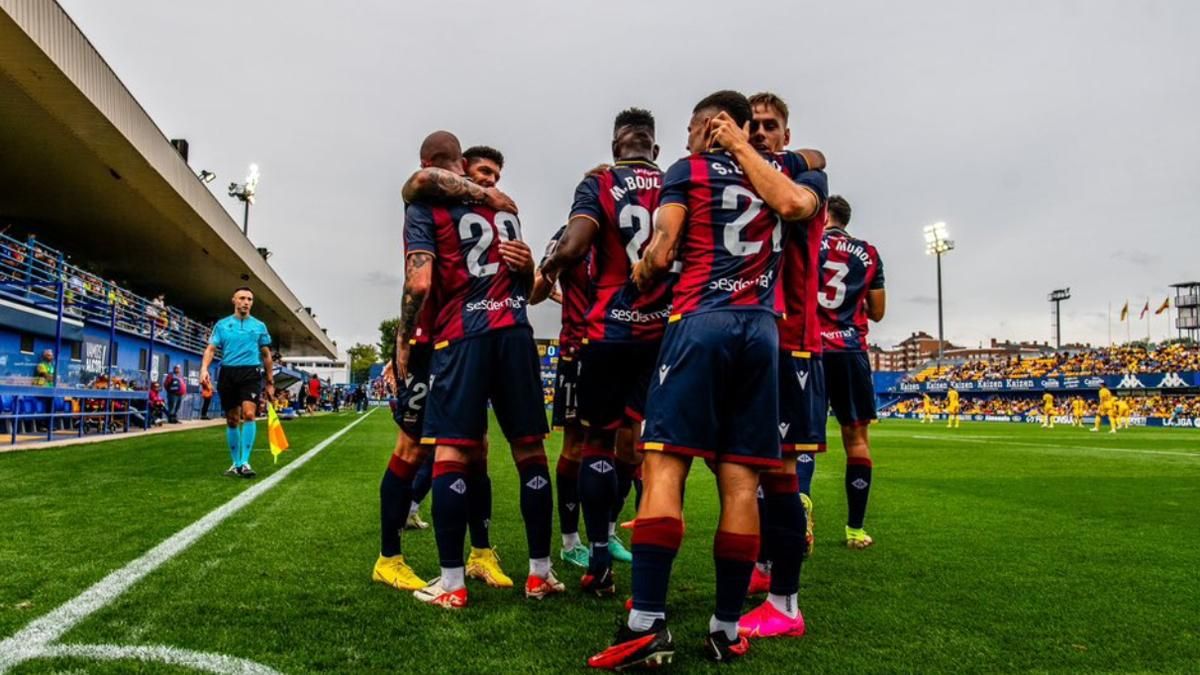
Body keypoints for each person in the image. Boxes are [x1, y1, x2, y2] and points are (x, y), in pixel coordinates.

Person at [588, 91, 826, 669]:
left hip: (698, 321)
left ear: (711, 126)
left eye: (695, 126)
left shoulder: (687, 168)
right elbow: (803, 179)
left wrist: (641, 275)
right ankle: (724, 627)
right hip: (764, 332)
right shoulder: (776, 169)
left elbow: (663, 249)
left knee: (664, 465)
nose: (692, 135)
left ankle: (647, 621)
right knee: (742, 482)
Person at [398, 130, 560, 608]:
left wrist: (404, 339)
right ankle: (540, 574)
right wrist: (529, 271)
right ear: (463, 166)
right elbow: (527, 288)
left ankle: (451, 583)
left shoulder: (427, 207)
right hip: (515, 332)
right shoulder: (504, 209)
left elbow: (421, 282)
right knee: (530, 451)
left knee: (451, 453)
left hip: (462, 335)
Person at [538, 107, 672, 592]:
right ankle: (649, 567)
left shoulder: (597, 184)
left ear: (616, 147)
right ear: (654, 149)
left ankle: (597, 559)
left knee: (595, 441)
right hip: (665, 334)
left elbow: (574, 247)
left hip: (607, 331)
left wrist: (550, 267)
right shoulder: (679, 181)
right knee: (645, 449)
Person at [737, 92, 828, 618]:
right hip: (745, 339)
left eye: (771, 126)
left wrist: (798, 160)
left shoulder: (807, 180)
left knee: (782, 471)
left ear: (786, 137)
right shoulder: (731, 175)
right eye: (753, 126)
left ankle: (785, 604)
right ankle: (765, 567)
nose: (761, 133)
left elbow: (792, 200)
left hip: (791, 339)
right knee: (744, 468)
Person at [814, 195, 886, 553]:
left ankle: (800, 513)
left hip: (809, 350)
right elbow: (878, 312)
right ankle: (855, 529)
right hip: (850, 350)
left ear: (824, 214)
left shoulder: (807, 242)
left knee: (801, 440)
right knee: (856, 440)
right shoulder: (869, 253)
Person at [531, 224, 592, 571]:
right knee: (577, 447)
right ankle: (571, 540)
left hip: (627, 346)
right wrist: (547, 272)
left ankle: (606, 532)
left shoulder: (631, 224)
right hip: (578, 348)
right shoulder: (570, 232)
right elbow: (536, 291)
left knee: (630, 449)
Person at [201, 287, 274, 479]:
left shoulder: (259, 326)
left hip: (250, 372)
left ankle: (245, 462)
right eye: (242, 298)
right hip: (228, 372)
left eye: (249, 299)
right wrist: (203, 370)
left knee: (249, 414)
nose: (246, 302)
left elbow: (266, 354)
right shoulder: (222, 325)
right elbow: (210, 349)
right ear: (234, 300)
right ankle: (235, 463)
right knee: (232, 419)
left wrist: (270, 381)